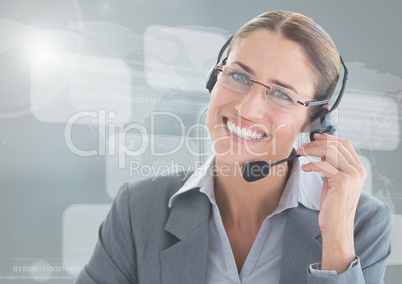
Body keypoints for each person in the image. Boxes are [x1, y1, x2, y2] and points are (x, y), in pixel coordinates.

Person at [75, 10, 392, 284]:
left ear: (314, 122)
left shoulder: (361, 222)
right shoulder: (139, 208)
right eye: (239, 76)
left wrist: (336, 236)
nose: (247, 108)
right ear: (213, 80)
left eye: (281, 94)